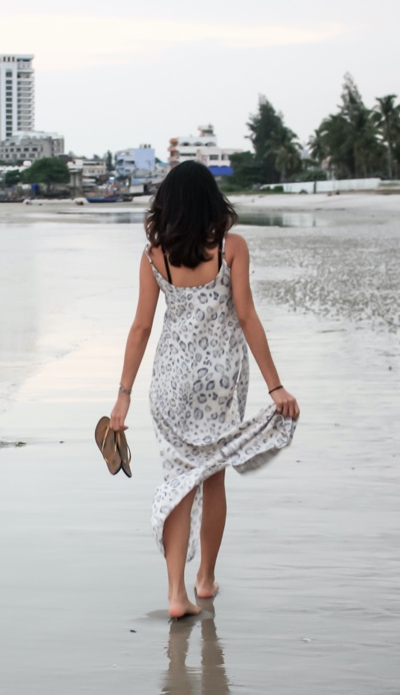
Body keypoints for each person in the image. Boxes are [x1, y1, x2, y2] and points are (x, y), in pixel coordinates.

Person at [109, 161, 299, 619]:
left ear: (167, 205)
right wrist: (275, 386)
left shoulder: (154, 257)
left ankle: (176, 594)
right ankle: (206, 579)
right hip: (219, 382)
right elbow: (248, 316)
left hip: (171, 382)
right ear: (213, 200)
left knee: (178, 481)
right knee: (212, 476)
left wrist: (123, 394)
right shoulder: (231, 248)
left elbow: (140, 328)